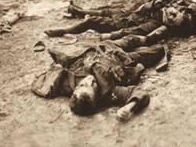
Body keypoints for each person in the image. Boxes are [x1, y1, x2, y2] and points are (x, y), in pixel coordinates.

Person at [32, 39, 168, 120]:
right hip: (121, 59)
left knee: (129, 39)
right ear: (97, 96)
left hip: (102, 48)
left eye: (83, 85)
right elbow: (140, 93)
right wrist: (129, 107)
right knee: (157, 49)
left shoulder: (67, 86)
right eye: (93, 85)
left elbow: (40, 85)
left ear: (75, 91)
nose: (90, 80)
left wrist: (58, 69)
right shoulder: (110, 94)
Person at [44, 0, 196, 38]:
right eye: (175, 11)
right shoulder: (168, 9)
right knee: (108, 9)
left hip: (121, 22)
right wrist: (155, 2)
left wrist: (111, 36)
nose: (172, 11)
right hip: (127, 14)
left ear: (170, 23)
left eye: (173, 16)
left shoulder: (155, 23)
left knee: (93, 21)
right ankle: (78, 11)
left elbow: (133, 30)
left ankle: (64, 31)